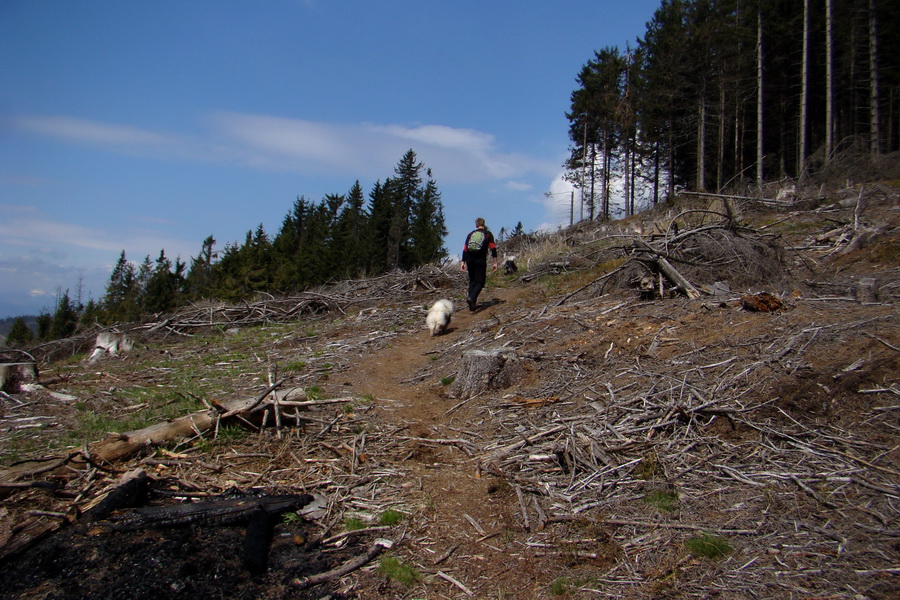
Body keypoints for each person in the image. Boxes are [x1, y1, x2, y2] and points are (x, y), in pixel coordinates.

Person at [460, 217, 498, 311]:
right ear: (484, 224)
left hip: (469, 259)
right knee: (480, 282)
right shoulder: (488, 234)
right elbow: (493, 248)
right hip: (480, 260)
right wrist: (495, 262)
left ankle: (471, 306)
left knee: (472, 281)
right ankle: (471, 298)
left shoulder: (470, 234)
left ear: (476, 225)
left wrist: (463, 261)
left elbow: (465, 248)